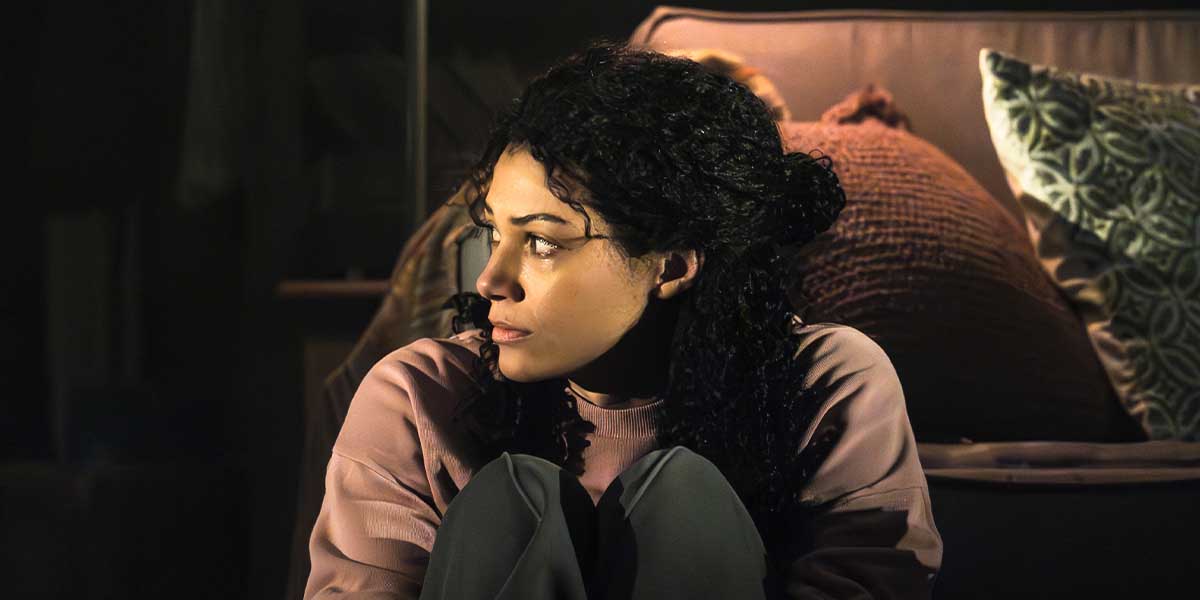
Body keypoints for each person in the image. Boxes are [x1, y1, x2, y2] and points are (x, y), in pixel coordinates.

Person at [304, 42, 941, 600]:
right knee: (510, 504)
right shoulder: (418, 397)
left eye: (544, 242)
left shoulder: (828, 382)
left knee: (680, 501)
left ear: (671, 265)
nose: (490, 281)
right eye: (492, 234)